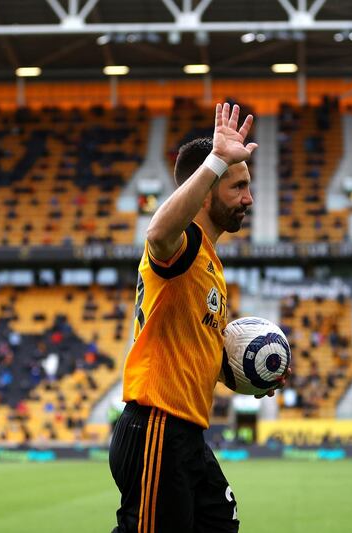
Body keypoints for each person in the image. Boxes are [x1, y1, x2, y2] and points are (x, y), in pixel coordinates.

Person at [109, 103, 286, 532]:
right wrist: (216, 160)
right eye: (238, 186)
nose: (249, 198)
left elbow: (196, 348)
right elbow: (156, 234)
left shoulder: (210, 262)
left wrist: (243, 374)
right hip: (156, 428)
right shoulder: (184, 244)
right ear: (206, 192)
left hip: (184, 435)